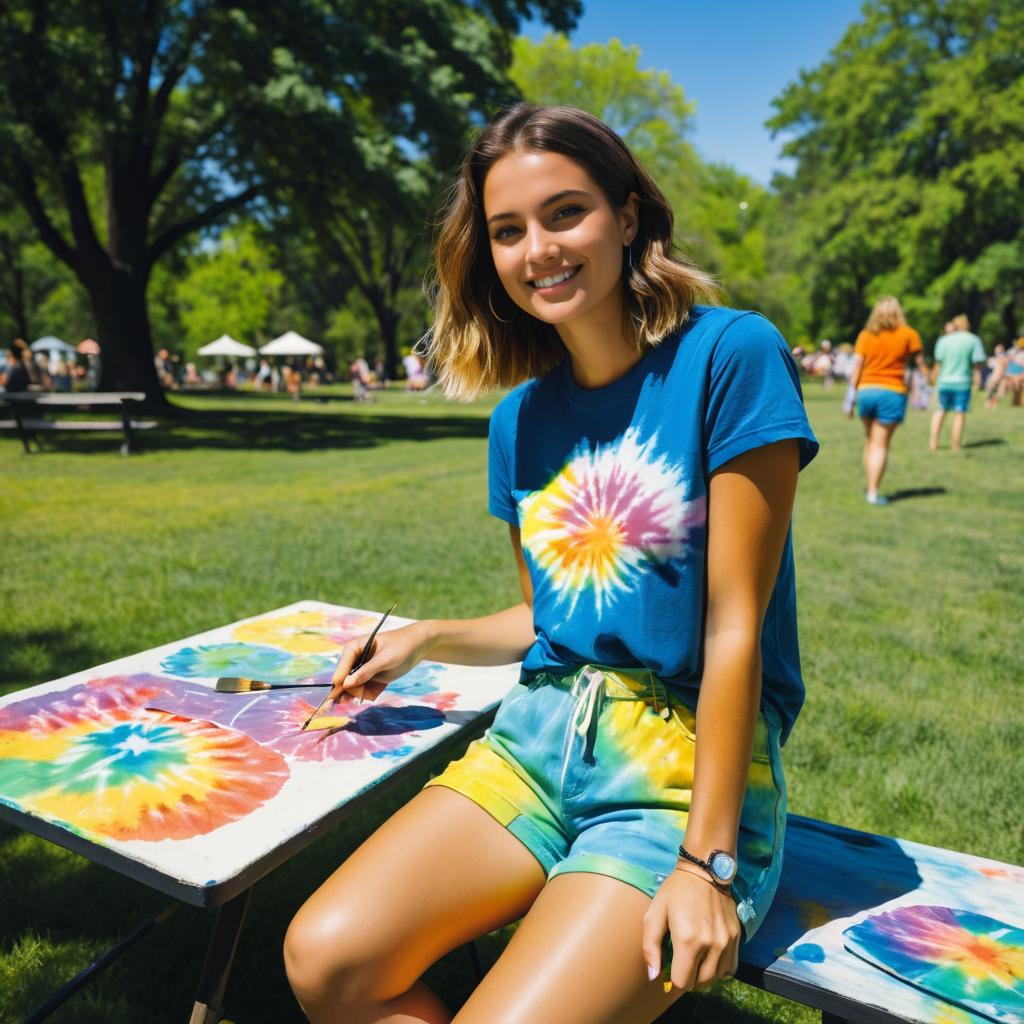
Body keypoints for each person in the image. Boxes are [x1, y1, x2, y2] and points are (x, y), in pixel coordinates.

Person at [284, 104, 818, 1024]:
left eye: (565, 213)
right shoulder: (518, 422)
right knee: (323, 960)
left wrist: (706, 863)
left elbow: (736, 627)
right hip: (529, 747)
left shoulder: (733, 357)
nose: (539, 248)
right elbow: (547, 618)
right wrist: (429, 638)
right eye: (507, 230)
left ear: (628, 214)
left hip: (676, 776)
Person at [846, 296, 926, 505]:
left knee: (870, 441)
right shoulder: (909, 334)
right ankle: (873, 492)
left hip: (866, 391)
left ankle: (869, 485)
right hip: (892, 392)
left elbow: (857, 368)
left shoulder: (865, 335)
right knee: (880, 445)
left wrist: (849, 399)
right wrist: (927, 387)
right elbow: (919, 363)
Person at [929, 314, 986, 451]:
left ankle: (933, 443)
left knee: (940, 410)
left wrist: (933, 379)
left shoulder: (943, 340)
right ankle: (955, 445)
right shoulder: (973, 340)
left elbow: (938, 363)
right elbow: (977, 363)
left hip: (944, 382)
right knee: (959, 413)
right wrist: (978, 379)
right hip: (962, 382)